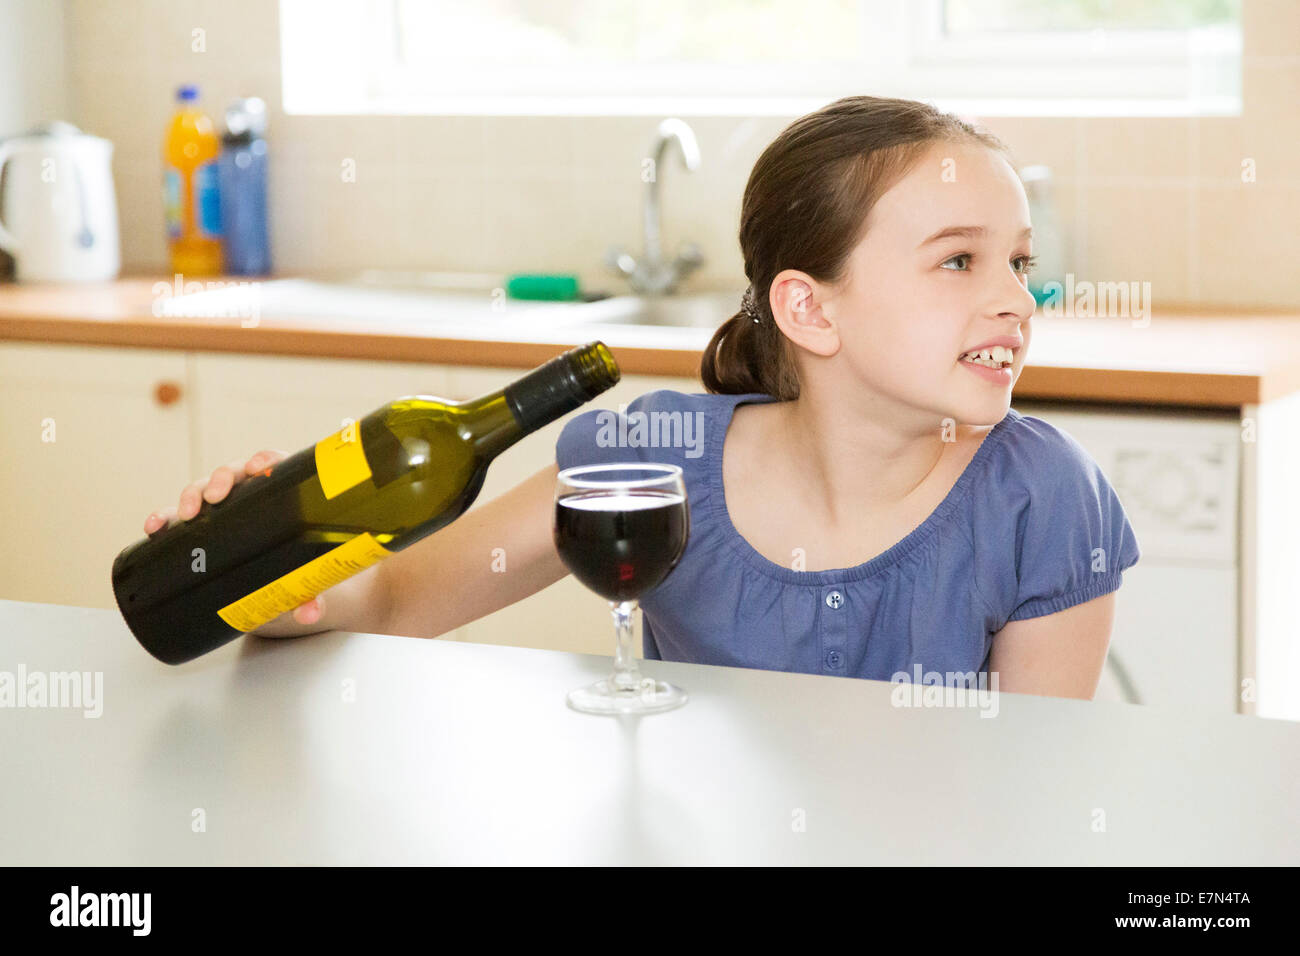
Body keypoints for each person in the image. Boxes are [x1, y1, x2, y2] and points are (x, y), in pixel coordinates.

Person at [144, 95, 1139, 700]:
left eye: (1017, 261)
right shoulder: (655, 456)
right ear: (808, 308)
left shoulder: (1045, 497)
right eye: (959, 261)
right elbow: (399, 600)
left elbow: (1029, 800)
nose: (1016, 299)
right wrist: (283, 586)